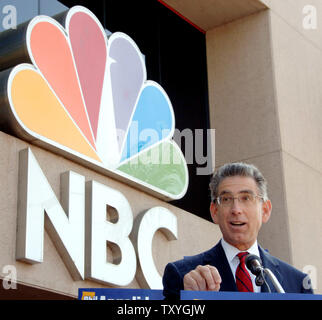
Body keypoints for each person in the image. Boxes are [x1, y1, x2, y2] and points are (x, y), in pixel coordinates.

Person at [162, 162, 313, 299]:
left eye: (246, 198)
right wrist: (193, 299)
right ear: (214, 211)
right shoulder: (183, 275)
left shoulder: (297, 284)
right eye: (226, 199)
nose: (236, 210)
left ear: (265, 210)